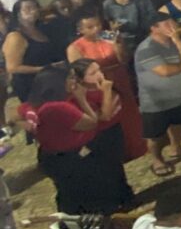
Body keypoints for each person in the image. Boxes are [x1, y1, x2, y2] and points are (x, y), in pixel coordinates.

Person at [15, 65, 131, 213]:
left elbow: (16, 114)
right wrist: (81, 98)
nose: (75, 81)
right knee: (80, 193)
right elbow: (91, 123)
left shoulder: (36, 104)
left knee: (72, 190)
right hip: (69, 157)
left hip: (55, 155)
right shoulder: (58, 107)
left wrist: (30, 125)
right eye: (70, 78)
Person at [66, 12, 147, 160]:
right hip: (96, 84)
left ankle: (136, 146)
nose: (96, 29)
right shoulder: (75, 47)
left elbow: (124, 59)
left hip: (119, 77)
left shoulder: (108, 36)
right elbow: (79, 72)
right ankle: (119, 151)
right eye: (90, 27)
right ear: (80, 29)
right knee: (110, 116)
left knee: (128, 112)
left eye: (98, 25)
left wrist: (117, 45)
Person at [135, 12, 181, 177]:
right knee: (155, 135)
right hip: (156, 102)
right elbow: (164, 71)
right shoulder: (146, 48)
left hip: (178, 96)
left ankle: (177, 148)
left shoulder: (174, 42)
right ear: (154, 28)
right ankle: (156, 160)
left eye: (173, 23)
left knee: (178, 124)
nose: (173, 27)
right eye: (167, 24)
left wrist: (177, 40)